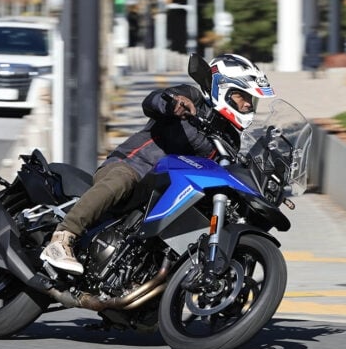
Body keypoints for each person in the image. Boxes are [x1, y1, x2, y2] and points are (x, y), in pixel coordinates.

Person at [40, 54, 275, 275]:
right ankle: (63, 238)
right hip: (135, 167)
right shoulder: (191, 97)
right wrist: (172, 103)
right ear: (223, 89)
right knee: (122, 180)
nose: (248, 105)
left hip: (168, 195)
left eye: (250, 99)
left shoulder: (230, 139)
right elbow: (152, 101)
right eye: (242, 96)